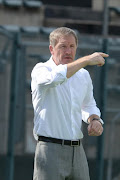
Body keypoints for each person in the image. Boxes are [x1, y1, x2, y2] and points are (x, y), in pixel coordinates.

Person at [31, 27, 109, 180]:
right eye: (63, 46)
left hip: (78, 152)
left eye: (72, 46)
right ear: (51, 49)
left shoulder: (83, 75)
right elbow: (56, 78)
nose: (68, 51)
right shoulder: (41, 70)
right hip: (49, 150)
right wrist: (86, 60)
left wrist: (94, 119)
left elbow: (88, 105)